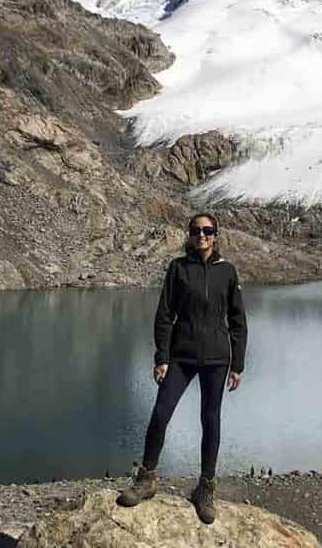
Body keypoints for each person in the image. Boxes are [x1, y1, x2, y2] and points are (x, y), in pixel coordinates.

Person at [117, 212, 248, 524]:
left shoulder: (227, 271)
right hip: (181, 356)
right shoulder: (178, 268)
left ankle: (205, 489)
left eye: (207, 230)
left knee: (210, 420)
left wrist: (238, 364)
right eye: (195, 231)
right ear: (189, 235)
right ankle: (147, 479)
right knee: (160, 414)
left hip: (217, 358)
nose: (201, 235)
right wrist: (161, 357)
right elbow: (164, 315)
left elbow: (238, 321)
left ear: (216, 235)